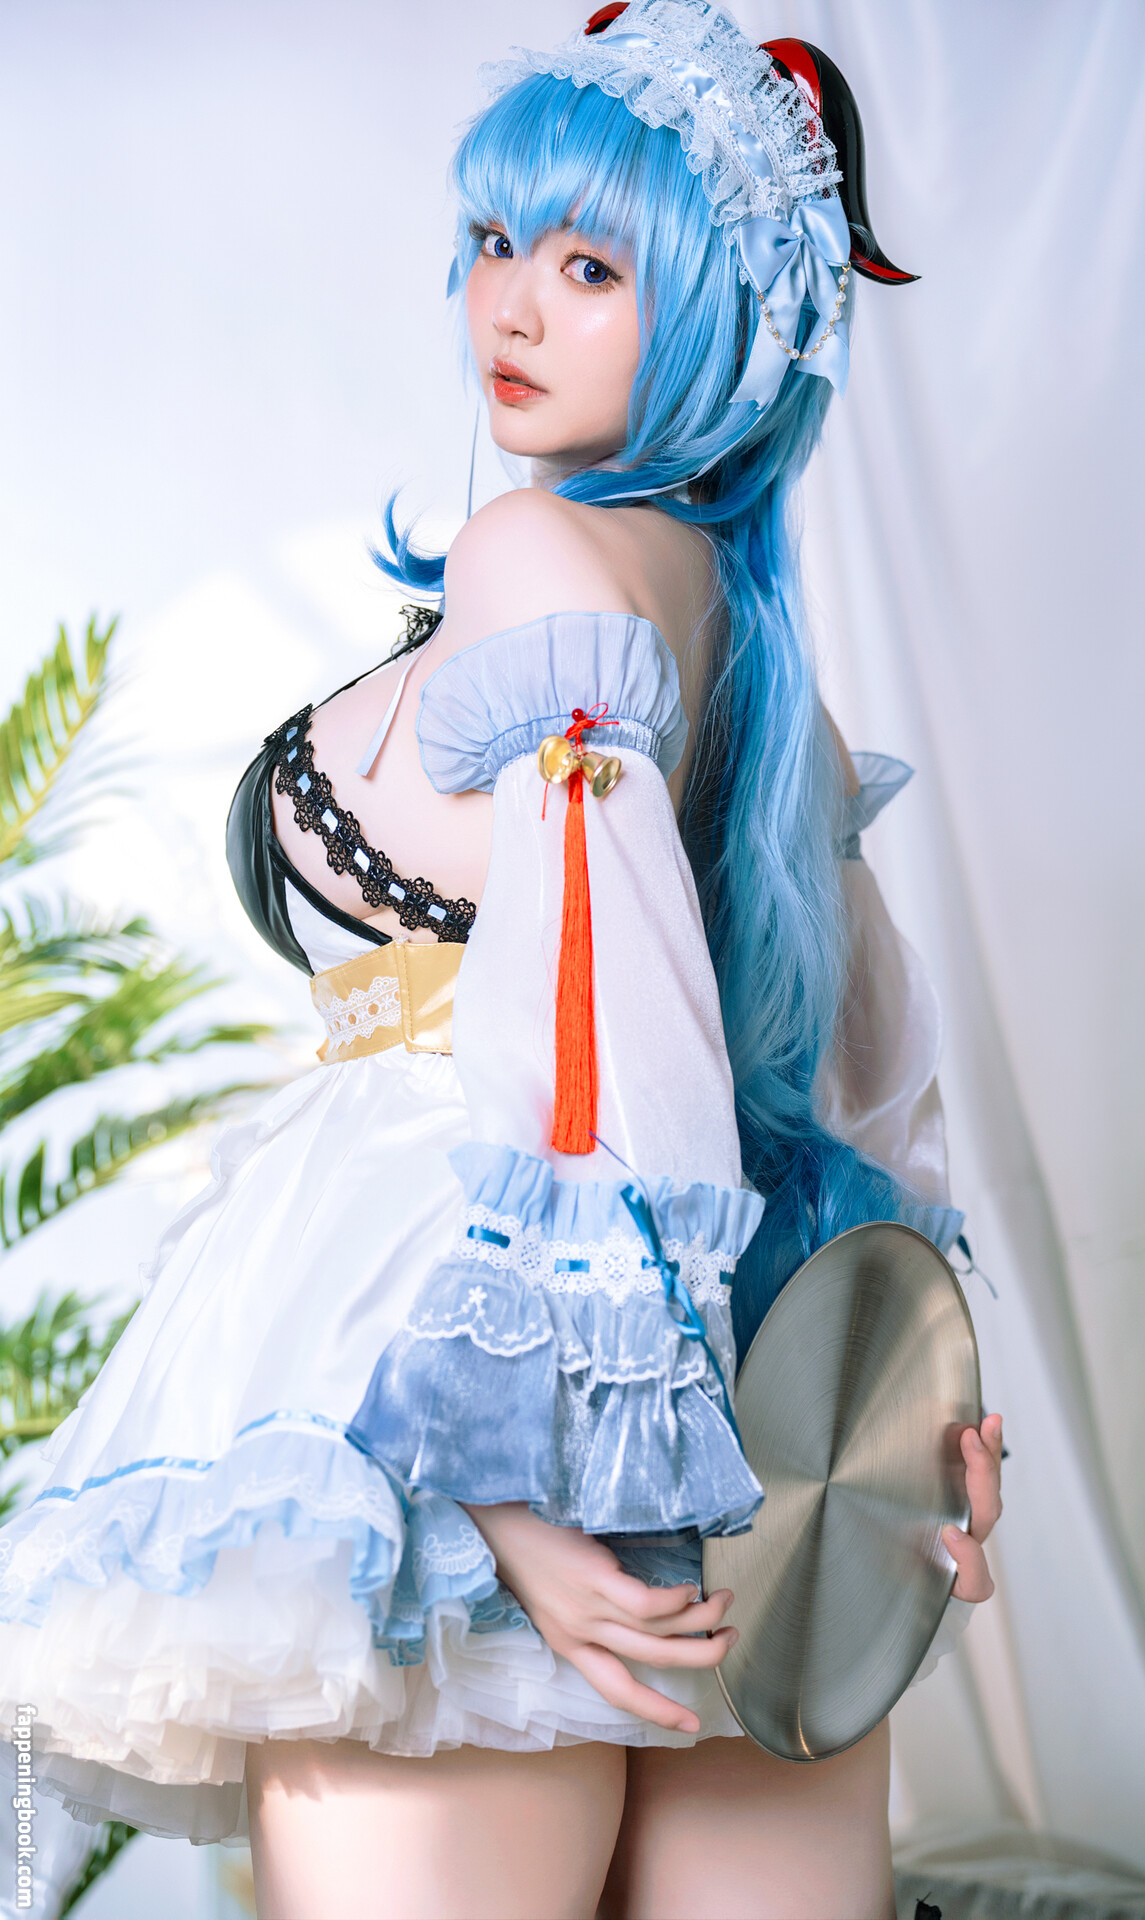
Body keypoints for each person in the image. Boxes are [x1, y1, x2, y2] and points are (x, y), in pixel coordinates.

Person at [0, 5, 1003, 1916]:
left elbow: (598, 1021)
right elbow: (853, 1083)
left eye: (591, 266)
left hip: (483, 1392)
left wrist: (516, 1470)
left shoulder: (536, 558)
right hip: (744, 1446)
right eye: (491, 243)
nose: (509, 307)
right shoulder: (756, 656)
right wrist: (913, 1410)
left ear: (718, 318)